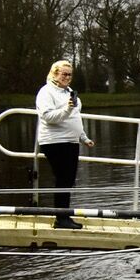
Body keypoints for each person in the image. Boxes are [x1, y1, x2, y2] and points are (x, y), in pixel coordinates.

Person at [35, 59, 95, 229]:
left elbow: (75, 118)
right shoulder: (46, 92)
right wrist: (67, 109)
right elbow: (48, 117)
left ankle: (65, 216)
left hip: (71, 141)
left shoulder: (70, 93)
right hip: (54, 141)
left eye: (70, 75)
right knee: (63, 178)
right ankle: (61, 219)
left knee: (69, 180)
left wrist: (83, 137)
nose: (67, 77)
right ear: (54, 74)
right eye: (64, 74)